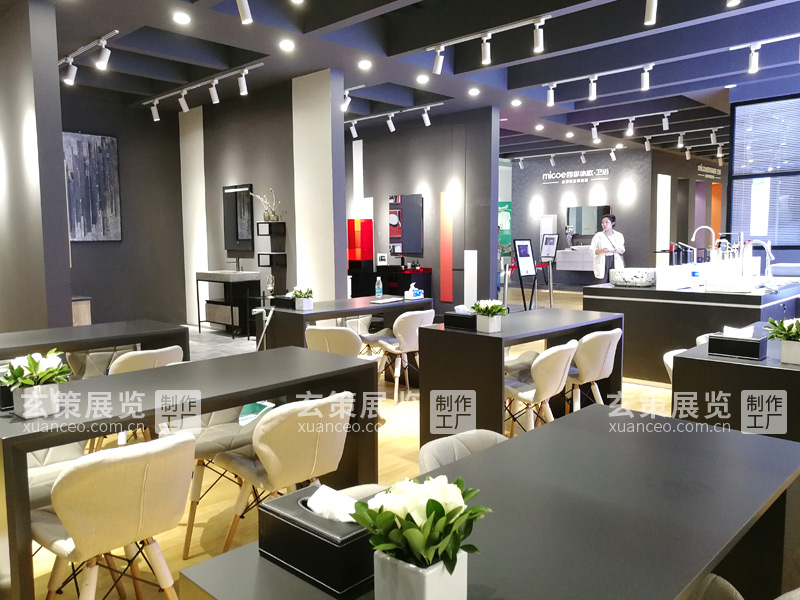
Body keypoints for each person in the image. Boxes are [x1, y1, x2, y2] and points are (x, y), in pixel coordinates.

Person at [591, 214, 625, 284]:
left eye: (607, 222)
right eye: (603, 222)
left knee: (615, 282)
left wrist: (618, 250)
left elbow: (622, 250)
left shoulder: (619, 235)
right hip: (603, 261)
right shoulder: (598, 236)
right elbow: (591, 250)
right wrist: (602, 250)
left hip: (614, 261)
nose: (604, 224)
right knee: (601, 283)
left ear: (613, 223)